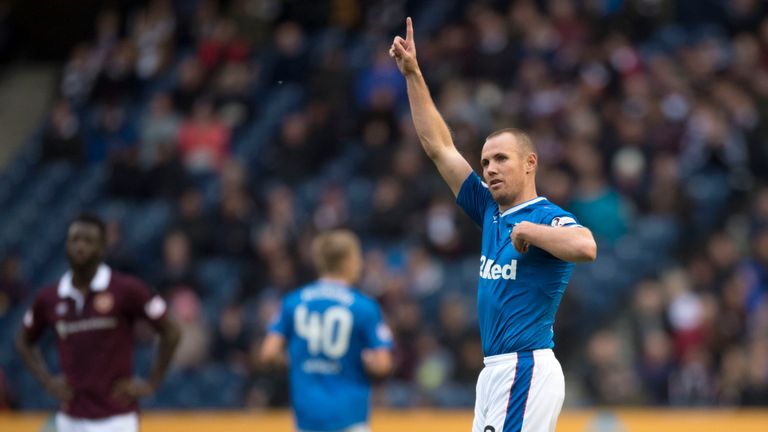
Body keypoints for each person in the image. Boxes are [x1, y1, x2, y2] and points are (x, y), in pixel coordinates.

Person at [389, 18, 597, 432]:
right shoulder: (489, 209)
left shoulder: (542, 216)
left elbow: (586, 246)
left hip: (525, 366)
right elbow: (439, 147)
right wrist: (413, 74)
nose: (490, 169)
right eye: (485, 162)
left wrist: (532, 233)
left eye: (501, 159)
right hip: (496, 372)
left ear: (530, 163)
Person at [15, 214, 180, 432]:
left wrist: (152, 382)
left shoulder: (126, 289)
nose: (80, 247)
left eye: (88, 241)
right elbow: (24, 340)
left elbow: (171, 331)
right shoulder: (50, 298)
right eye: (74, 240)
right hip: (70, 419)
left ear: (102, 248)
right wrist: (47, 381)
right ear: (66, 245)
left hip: (116, 419)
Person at [260, 229, 393, 432]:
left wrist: (296, 360)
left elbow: (268, 353)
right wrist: (366, 361)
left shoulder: (293, 301)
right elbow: (383, 364)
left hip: (307, 418)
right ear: (349, 261)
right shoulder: (364, 307)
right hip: (349, 417)